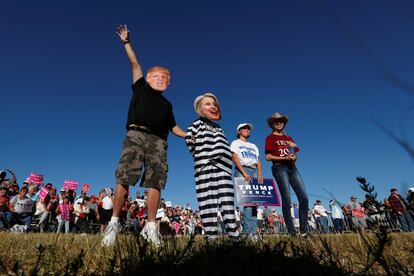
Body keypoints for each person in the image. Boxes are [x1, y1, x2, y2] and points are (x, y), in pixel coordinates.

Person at [102, 25, 186, 247]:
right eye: (156, 76)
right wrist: (126, 42)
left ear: (168, 83)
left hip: (159, 141)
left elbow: (174, 127)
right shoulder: (140, 88)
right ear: (148, 79)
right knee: (125, 176)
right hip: (136, 134)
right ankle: (114, 223)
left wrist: (189, 136)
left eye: (165, 78)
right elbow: (135, 63)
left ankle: (150, 228)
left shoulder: (168, 105)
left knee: (156, 180)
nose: (161, 79)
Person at [185, 93, 239, 239]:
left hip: (224, 167)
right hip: (204, 165)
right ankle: (211, 236)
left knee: (227, 200)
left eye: (214, 104)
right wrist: (201, 155)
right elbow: (190, 140)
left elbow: (224, 144)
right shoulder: (196, 124)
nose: (213, 106)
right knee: (207, 200)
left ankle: (233, 234)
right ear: (200, 109)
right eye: (208, 104)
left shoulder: (219, 127)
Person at [265, 112, 309, 236]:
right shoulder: (270, 138)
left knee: (304, 198)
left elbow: (294, 154)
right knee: (287, 199)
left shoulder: (288, 138)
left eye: (281, 121)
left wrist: (294, 155)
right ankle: (292, 232)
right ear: (272, 124)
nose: (279, 123)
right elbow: (268, 157)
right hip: (279, 168)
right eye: (276, 121)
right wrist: (284, 159)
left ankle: (304, 232)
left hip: (292, 168)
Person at [230, 123, 263, 238]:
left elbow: (258, 160)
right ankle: (249, 232)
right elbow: (234, 157)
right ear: (239, 131)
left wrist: (260, 174)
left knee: (254, 203)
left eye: (248, 129)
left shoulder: (253, 145)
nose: (247, 130)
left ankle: (253, 231)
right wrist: (244, 173)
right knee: (247, 202)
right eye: (244, 128)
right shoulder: (236, 143)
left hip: (254, 170)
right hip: (242, 170)